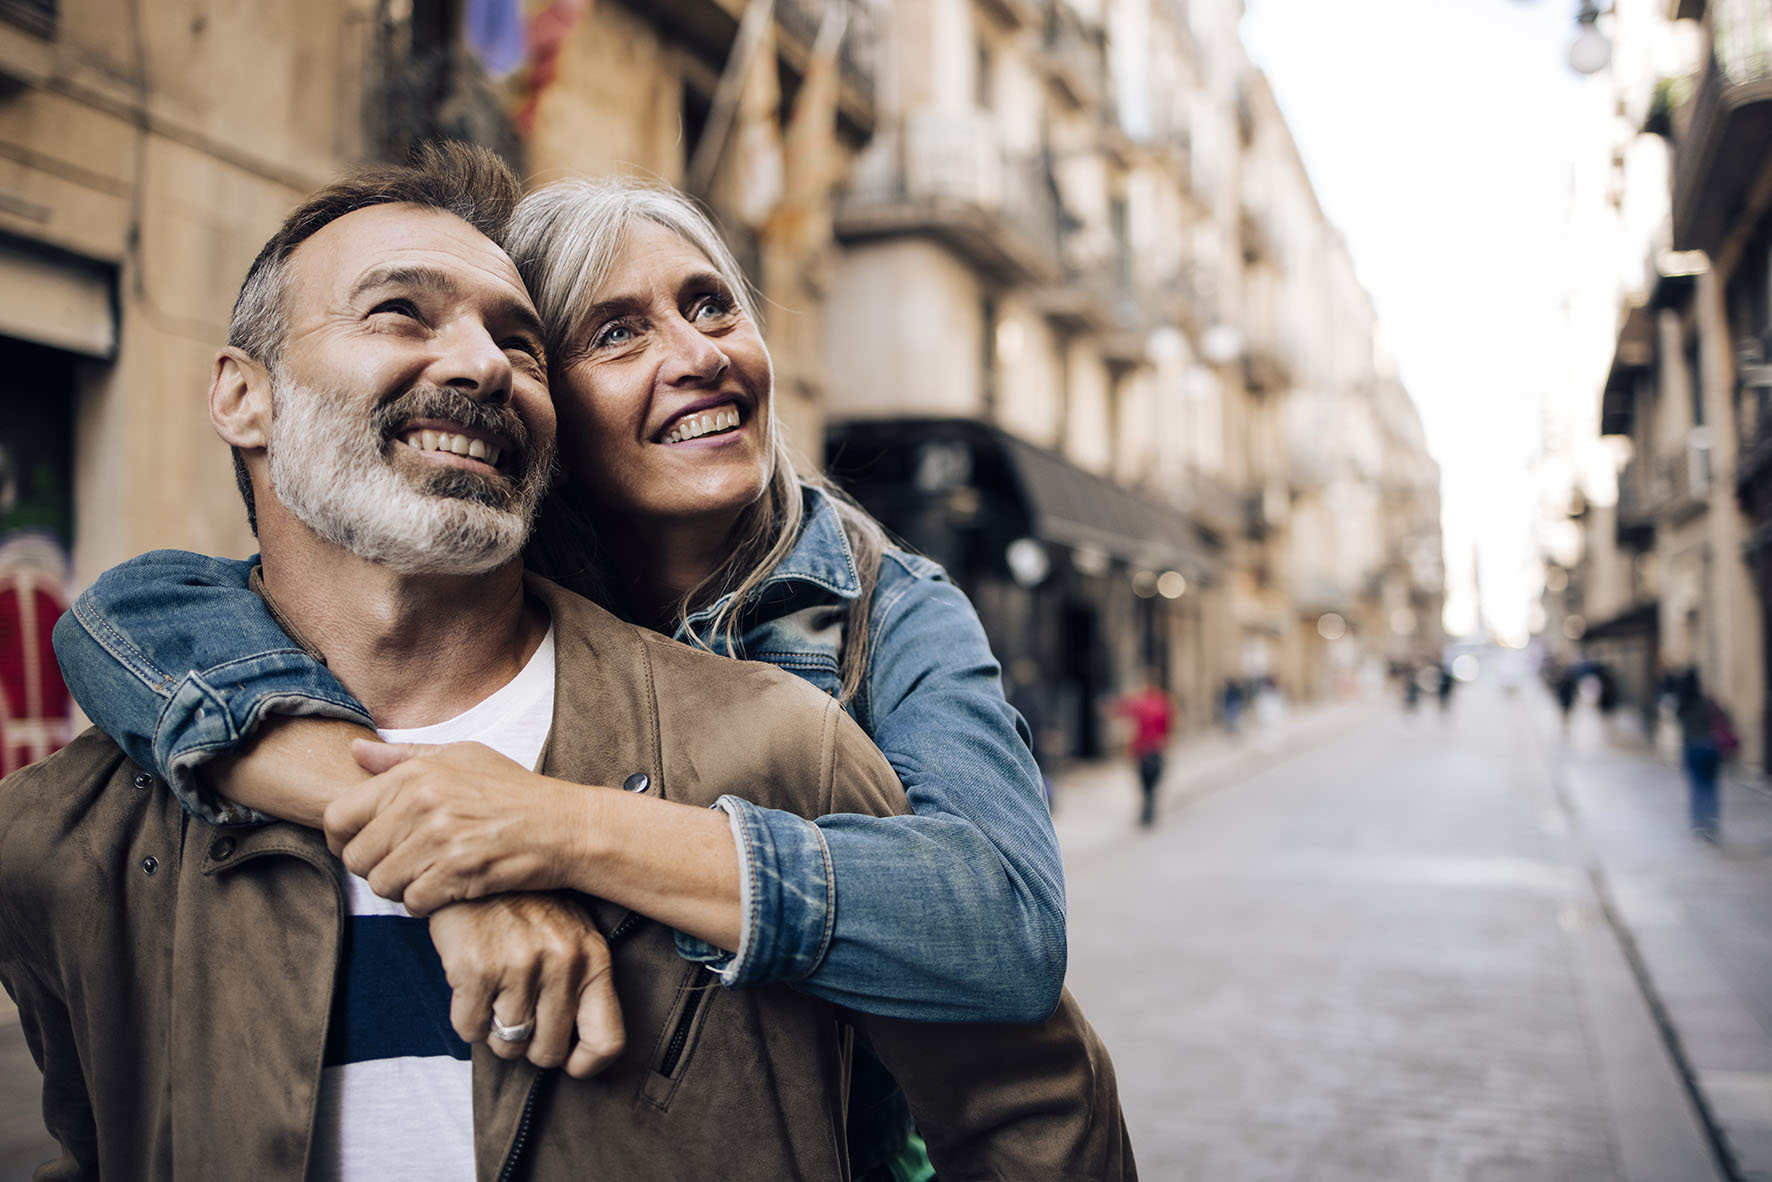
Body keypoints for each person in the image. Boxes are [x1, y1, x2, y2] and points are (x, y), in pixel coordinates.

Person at [11, 145, 1131, 1179]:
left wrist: (549, 827)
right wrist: (435, 857)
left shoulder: (862, 637)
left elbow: (1002, 946)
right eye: (613, 335)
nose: (697, 354)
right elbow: (123, 618)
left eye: (711, 307)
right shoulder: (103, 801)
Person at [1667, 665, 1723, 841]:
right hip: (1709, 746)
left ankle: (1699, 823)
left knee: (1697, 786)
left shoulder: (1682, 704)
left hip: (1692, 747)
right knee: (1710, 786)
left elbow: (1676, 719)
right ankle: (1712, 821)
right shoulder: (1706, 702)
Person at [1118, 675, 1173, 828]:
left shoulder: (1141, 703)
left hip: (1142, 749)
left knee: (1144, 782)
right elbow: (1168, 726)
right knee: (1152, 781)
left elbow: (1129, 722)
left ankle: (1146, 810)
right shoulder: (1162, 701)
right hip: (1154, 748)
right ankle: (1149, 809)